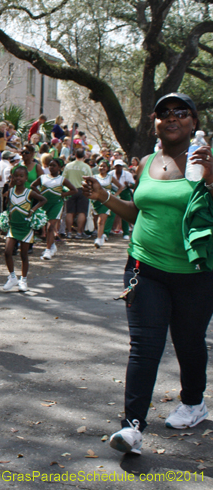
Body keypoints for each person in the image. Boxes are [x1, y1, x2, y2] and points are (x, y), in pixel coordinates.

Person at [83, 92, 213, 456]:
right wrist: (106, 196)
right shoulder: (149, 162)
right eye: (163, 113)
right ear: (155, 121)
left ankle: (193, 403)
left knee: (189, 342)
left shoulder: (206, 161)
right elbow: (140, 214)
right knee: (144, 347)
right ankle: (132, 427)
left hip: (196, 272)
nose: (171, 118)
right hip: (144, 268)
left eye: (181, 113)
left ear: (194, 121)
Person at [2, 166, 47, 292]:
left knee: (23, 255)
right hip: (13, 226)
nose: (18, 178)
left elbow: (43, 200)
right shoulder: (10, 191)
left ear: (26, 178)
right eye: (16, 176)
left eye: (21, 176)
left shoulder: (29, 192)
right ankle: (12, 277)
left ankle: (24, 279)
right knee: (7, 252)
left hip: (25, 228)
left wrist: (33, 210)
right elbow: (7, 205)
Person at [30, 158, 76, 260]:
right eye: (50, 165)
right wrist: (40, 195)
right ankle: (52, 245)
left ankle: (47, 250)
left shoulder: (62, 179)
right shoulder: (43, 177)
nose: (51, 167)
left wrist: (62, 194)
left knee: (50, 227)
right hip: (45, 204)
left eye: (54, 165)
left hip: (56, 204)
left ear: (59, 168)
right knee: (45, 225)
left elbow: (74, 190)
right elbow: (32, 185)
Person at [90, 159, 122, 248]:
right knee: (96, 220)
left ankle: (99, 238)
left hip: (106, 200)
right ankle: (100, 235)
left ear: (107, 168)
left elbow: (120, 186)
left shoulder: (110, 177)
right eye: (100, 166)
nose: (102, 168)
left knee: (101, 220)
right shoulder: (94, 177)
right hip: (96, 201)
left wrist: (115, 195)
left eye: (104, 166)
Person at [63, 149, 93, 238]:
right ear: (84, 156)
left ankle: (69, 232)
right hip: (82, 190)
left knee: (69, 211)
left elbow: (63, 178)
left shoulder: (68, 166)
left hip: (70, 190)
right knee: (82, 212)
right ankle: (79, 233)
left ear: (75, 155)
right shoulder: (86, 167)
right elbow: (90, 179)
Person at [111, 159, 136, 240]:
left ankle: (126, 232)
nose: (118, 168)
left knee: (125, 212)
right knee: (111, 212)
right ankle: (107, 231)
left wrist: (128, 184)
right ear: (114, 167)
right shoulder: (110, 174)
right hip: (114, 191)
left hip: (125, 192)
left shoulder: (127, 174)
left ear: (122, 167)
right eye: (117, 166)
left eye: (120, 166)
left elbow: (133, 184)